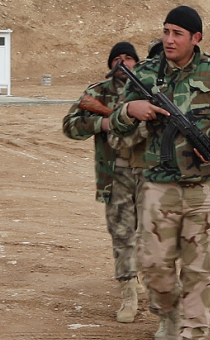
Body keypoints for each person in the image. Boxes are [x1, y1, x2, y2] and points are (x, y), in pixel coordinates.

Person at [108, 6, 210, 340]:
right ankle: (170, 316)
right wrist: (132, 110)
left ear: (196, 38)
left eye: (177, 33)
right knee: (155, 267)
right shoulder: (145, 73)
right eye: (166, 32)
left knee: (201, 268)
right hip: (158, 186)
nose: (169, 39)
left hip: (204, 186)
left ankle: (194, 329)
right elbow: (117, 124)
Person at [62, 41, 145, 324]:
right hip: (116, 173)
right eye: (117, 59)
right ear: (111, 64)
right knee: (122, 235)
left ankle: (145, 278)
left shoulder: (148, 88)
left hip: (151, 174)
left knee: (152, 235)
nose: (123, 63)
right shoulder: (98, 91)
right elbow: (70, 125)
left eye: (129, 58)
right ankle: (129, 296)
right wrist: (104, 123)